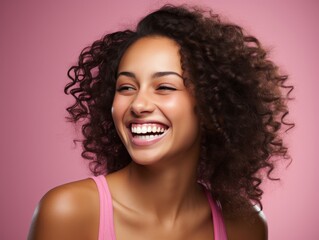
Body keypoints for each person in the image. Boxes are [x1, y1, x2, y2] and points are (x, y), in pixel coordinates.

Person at [28, 4, 293, 240]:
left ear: (213, 104)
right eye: (126, 87)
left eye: (164, 87)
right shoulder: (69, 212)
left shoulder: (244, 226)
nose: (138, 105)